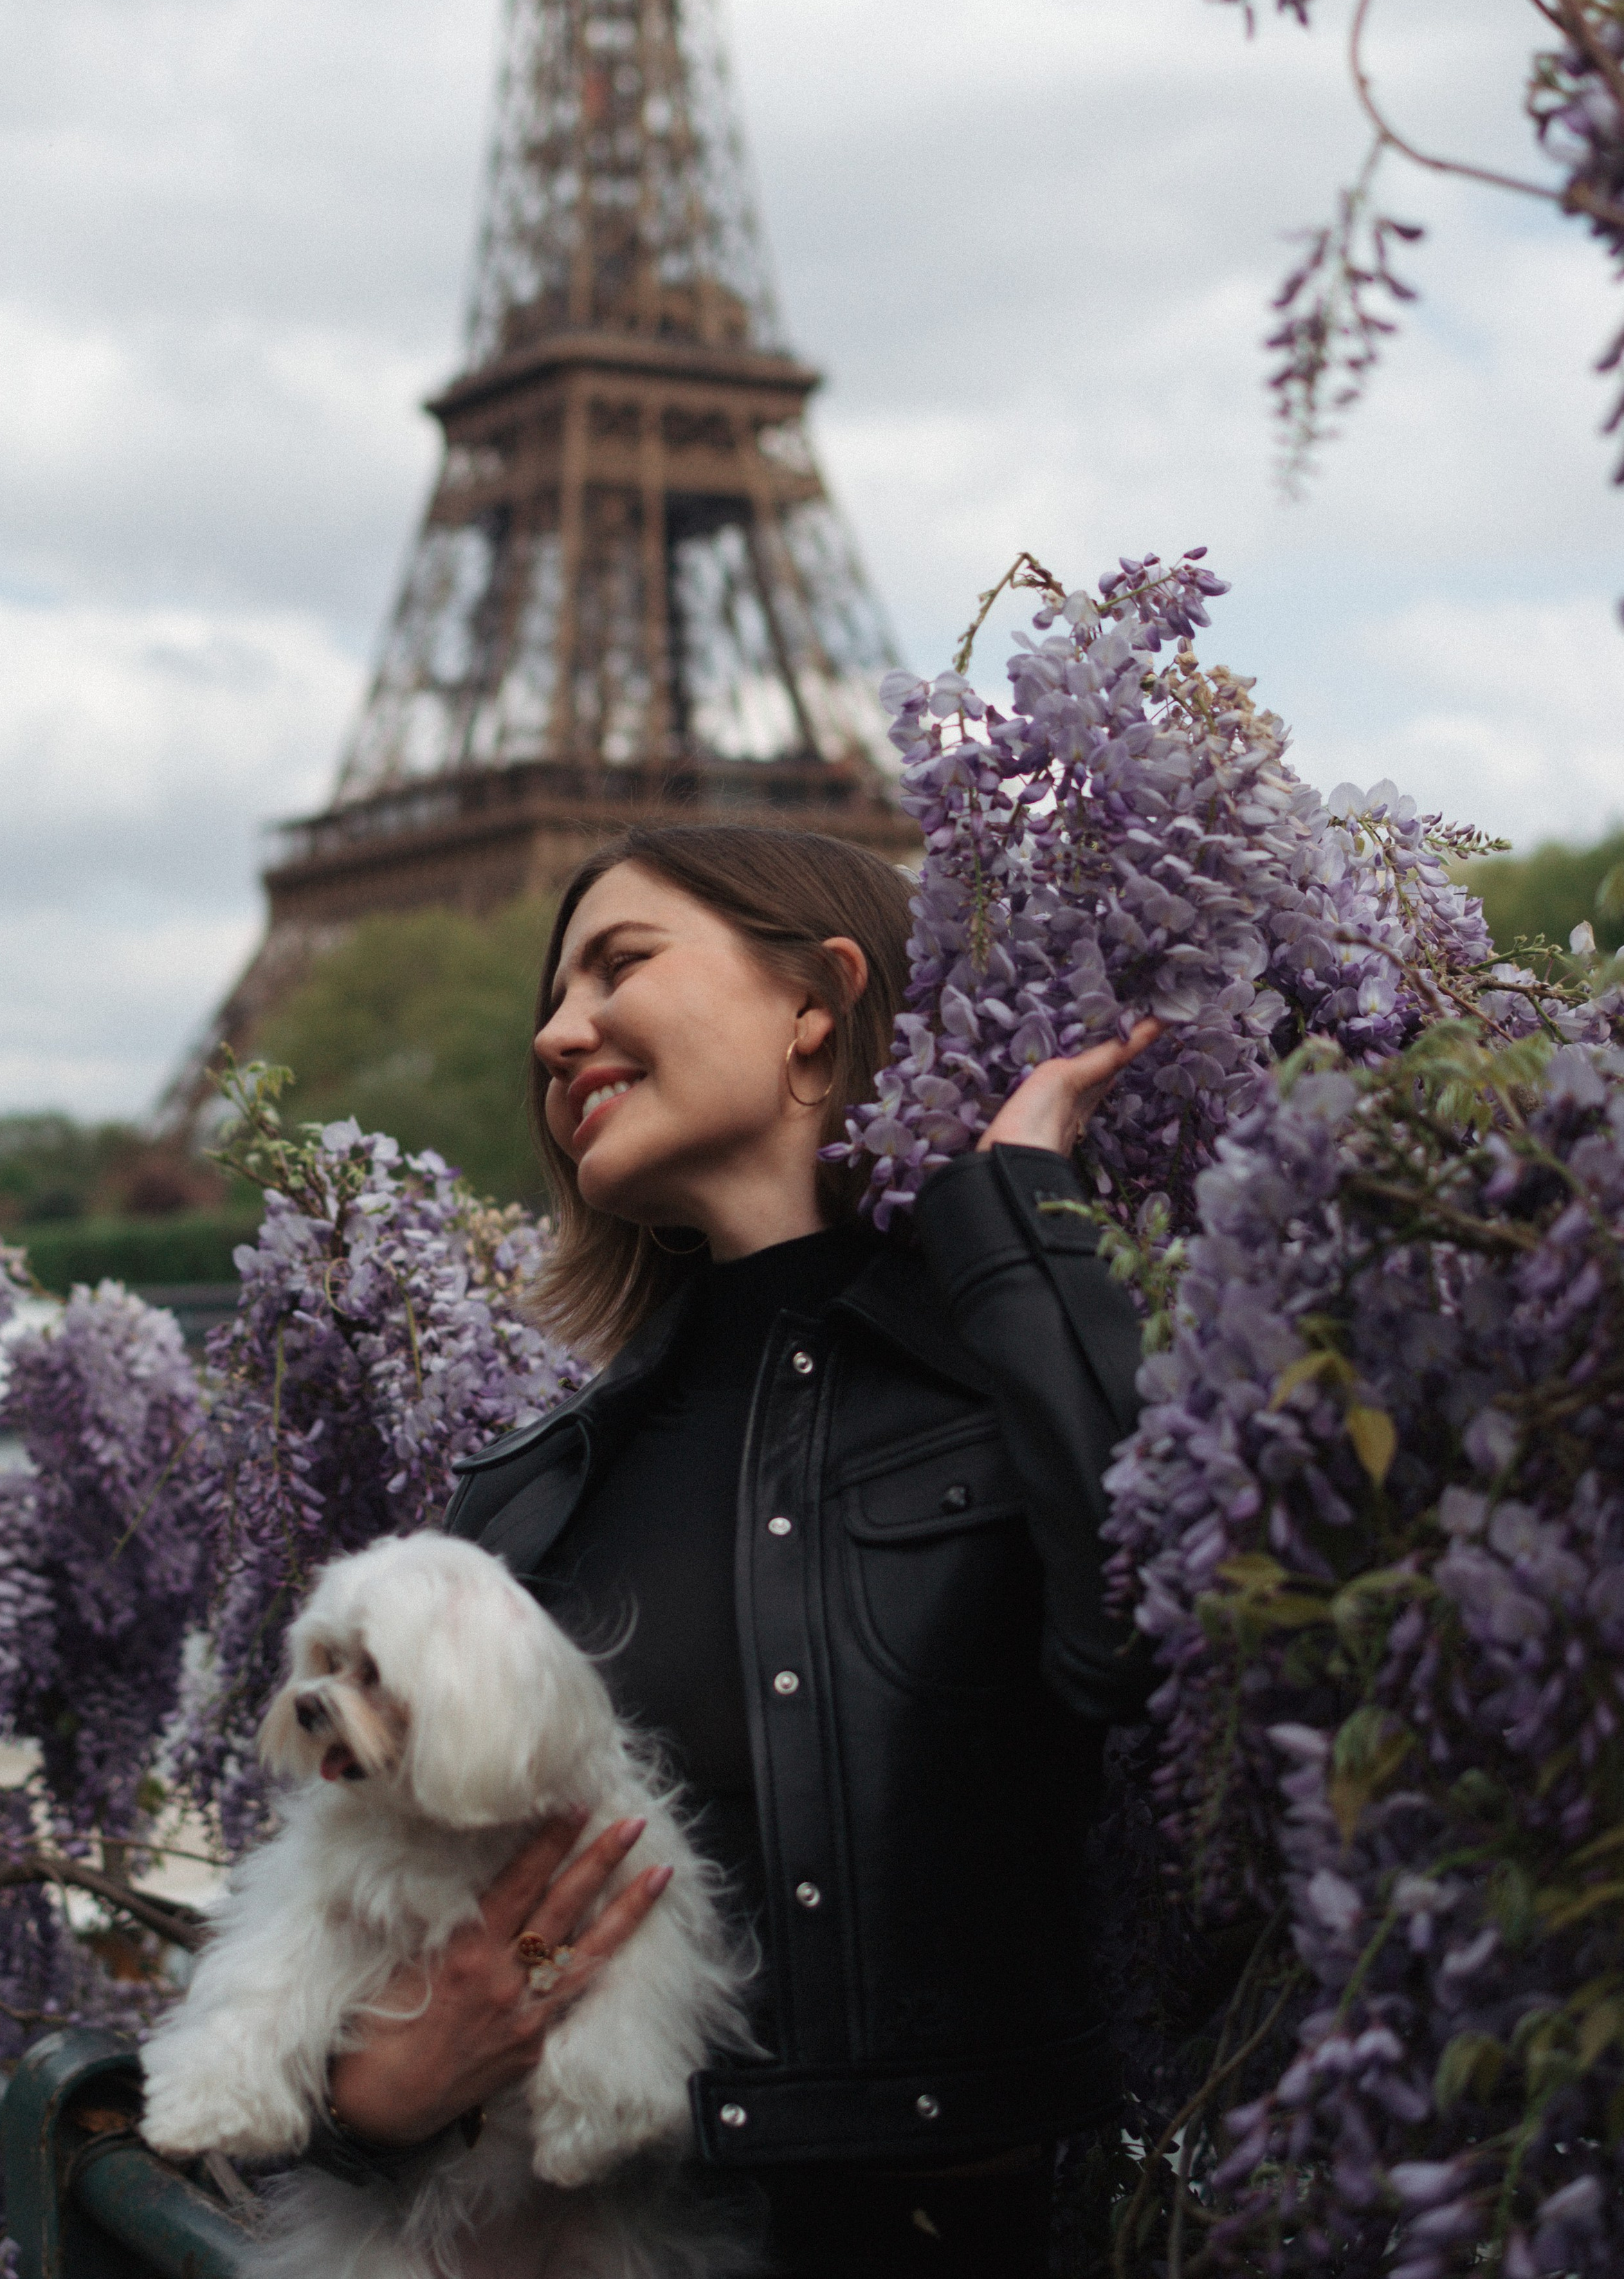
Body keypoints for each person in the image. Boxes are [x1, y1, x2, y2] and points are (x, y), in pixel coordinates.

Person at [322, 825, 1160, 2276]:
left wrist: (1019, 1211)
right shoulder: (524, 1498)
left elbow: (1152, 1623)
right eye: (551, 993)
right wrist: (375, 2099)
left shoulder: (1013, 1373)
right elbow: (356, 1912)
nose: (552, 1031)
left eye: (619, 965)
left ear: (816, 1001)